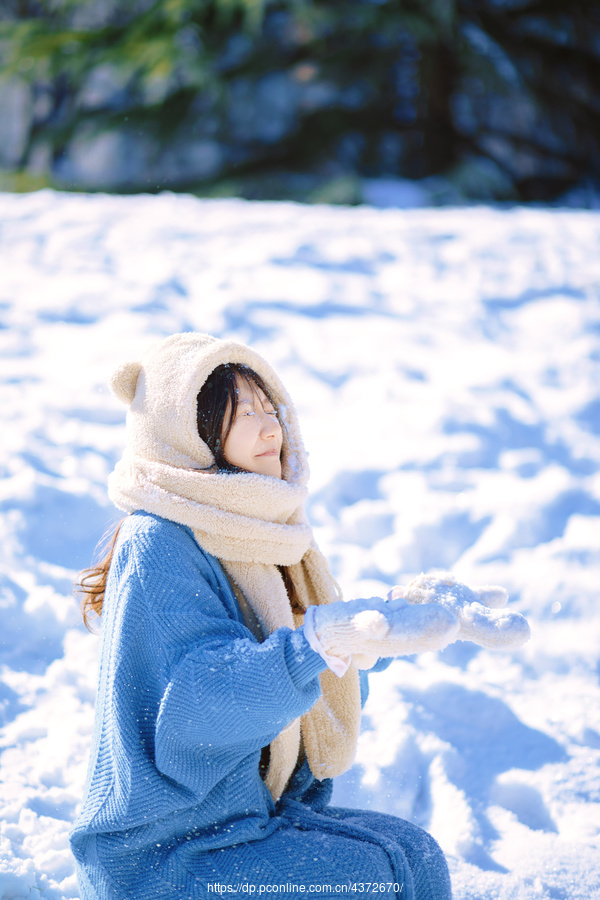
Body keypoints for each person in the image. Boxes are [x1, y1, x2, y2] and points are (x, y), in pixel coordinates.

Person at [70, 332, 529, 900]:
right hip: (168, 853)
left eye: (271, 408)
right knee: (376, 880)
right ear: (187, 432)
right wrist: (314, 642)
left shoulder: (265, 534)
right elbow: (196, 706)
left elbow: (302, 694)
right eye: (243, 414)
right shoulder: (157, 541)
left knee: (416, 857)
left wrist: (391, 621)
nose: (271, 428)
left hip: (250, 820)